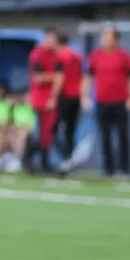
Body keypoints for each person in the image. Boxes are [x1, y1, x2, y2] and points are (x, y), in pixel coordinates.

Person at [83, 27, 130, 177]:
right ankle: (108, 170)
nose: (105, 39)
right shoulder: (95, 56)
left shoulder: (123, 56)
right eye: (104, 36)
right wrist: (85, 96)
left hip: (120, 101)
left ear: (116, 39)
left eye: (108, 36)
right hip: (102, 101)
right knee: (105, 136)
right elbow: (88, 77)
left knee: (123, 136)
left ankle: (125, 169)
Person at [28, 29, 62, 172]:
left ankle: (45, 163)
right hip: (39, 100)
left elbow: (59, 78)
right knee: (39, 134)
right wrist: (54, 77)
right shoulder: (37, 55)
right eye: (50, 39)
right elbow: (38, 78)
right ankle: (27, 159)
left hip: (51, 100)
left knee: (48, 134)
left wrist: (53, 96)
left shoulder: (57, 56)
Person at [54, 32, 84, 164]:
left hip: (65, 96)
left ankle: (66, 156)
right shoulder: (77, 55)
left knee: (52, 130)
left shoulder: (60, 57)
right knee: (70, 130)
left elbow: (60, 79)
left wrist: (53, 97)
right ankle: (70, 156)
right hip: (76, 97)